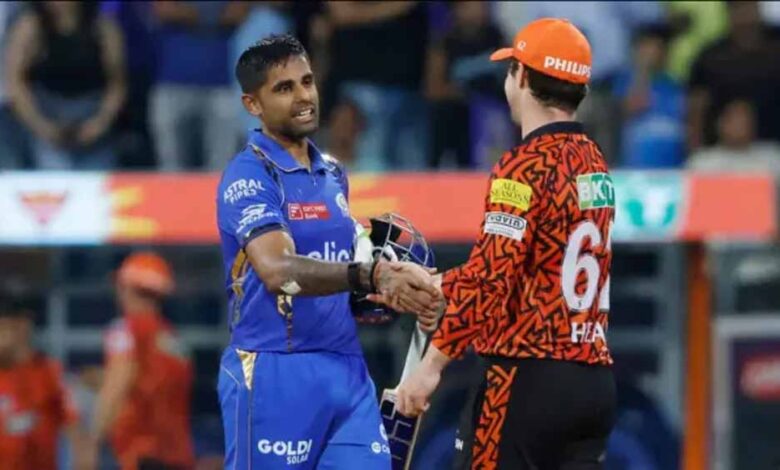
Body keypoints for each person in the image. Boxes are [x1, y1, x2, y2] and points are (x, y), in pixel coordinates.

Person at [372, 18, 617, 469]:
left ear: (521, 77)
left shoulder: (522, 167)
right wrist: (436, 282)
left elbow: (490, 281)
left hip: (526, 378)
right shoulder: (594, 161)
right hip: (592, 382)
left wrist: (429, 369)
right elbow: (533, 267)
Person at [216, 34, 441, 469]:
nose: (303, 97)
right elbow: (277, 270)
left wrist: (394, 290)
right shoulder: (248, 176)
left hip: (346, 369)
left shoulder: (333, 172)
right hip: (274, 372)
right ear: (252, 104)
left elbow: (341, 265)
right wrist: (370, 275)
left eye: (307, 81)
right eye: (284, 88)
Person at [82, 252, 195, 470]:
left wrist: (91, 443)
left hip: (142, 455)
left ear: (127, 287)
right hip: (179, 456)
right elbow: (152, 383)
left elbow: (118, 385)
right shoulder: (173, 340)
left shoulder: (125, 329)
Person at [5, 1, 126, 170]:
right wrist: (42, 127)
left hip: (92, 114)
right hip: (46, 115)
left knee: (96, 176)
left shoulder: (102, 27)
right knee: (53, 174)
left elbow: (117, 84)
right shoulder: (30, 27)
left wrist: (99, 124)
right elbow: (15, 82)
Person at [0, 297, 85, 469]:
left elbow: (74, 425)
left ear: (22, 327)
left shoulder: (49, 371)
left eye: (4, 327)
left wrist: (83, 456)